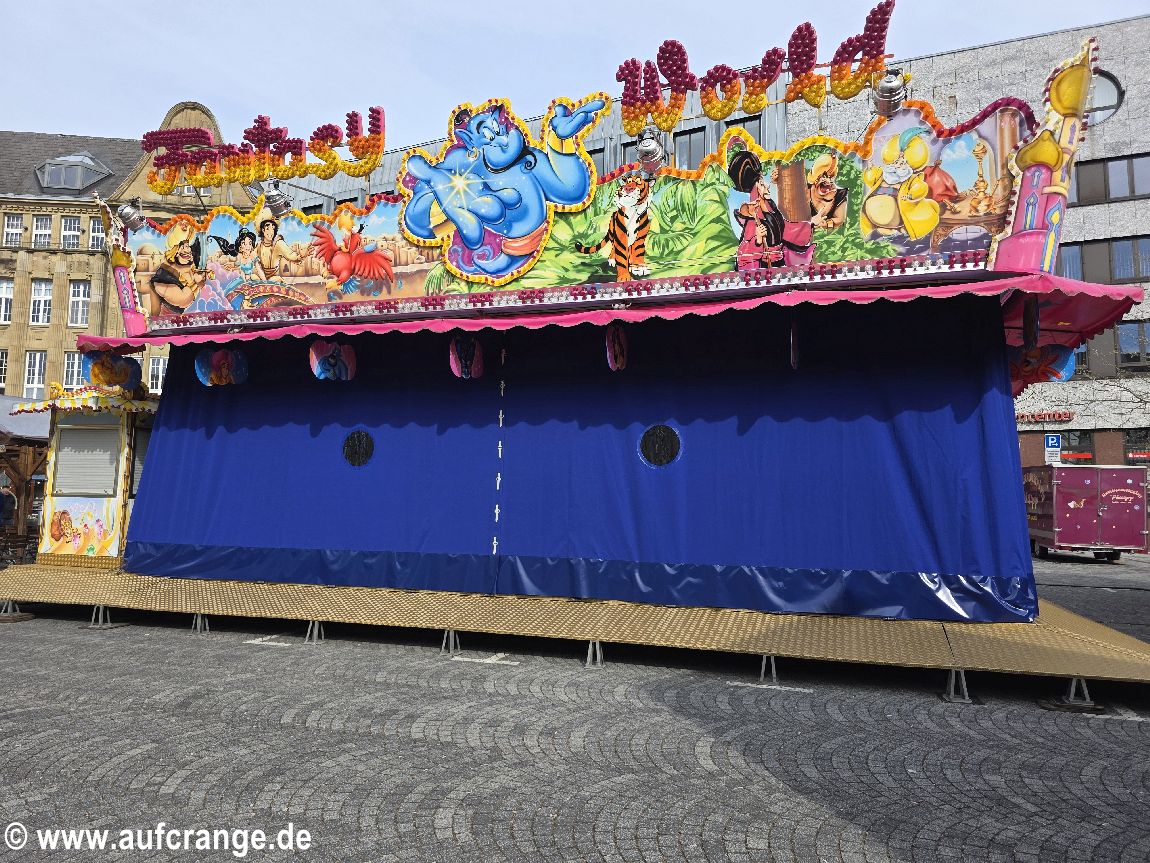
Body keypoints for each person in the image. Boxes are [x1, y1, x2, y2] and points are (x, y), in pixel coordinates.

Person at [728, 150, 814, 272]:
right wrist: (757, 241)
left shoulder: (770, 205)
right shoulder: (753, 214)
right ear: (756, 186)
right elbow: (744, 254)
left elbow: (785, 228)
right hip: (766, 270)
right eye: (762, 183)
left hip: (780, 264)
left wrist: (810, 224)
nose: (767, 185)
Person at [806, 153, 849, 231]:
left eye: (830, 177)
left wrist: (825, 224)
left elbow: (839, 220)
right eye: (824, 176)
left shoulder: (840, 196)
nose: (828, 180)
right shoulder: (805, 190)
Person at [256, 219, 305, 283]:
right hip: (261, 277)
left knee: (275, 281)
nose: (271, 232)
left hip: (274, 278)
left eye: (273, 229)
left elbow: (290, 255)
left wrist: (300, 256)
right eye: (268, 229)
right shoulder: (259, 245)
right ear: (263, 230)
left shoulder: (278, 243)